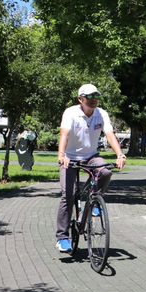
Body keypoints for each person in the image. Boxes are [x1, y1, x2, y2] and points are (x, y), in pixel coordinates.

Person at [56, 84, 126, 253]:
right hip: (70, 157)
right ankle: (62, 237)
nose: (94, 99)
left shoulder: (101, 114)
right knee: (68, 195)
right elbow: (64, 134)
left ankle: (95, 199)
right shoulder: (71, 113)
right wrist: (61, 154)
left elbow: (109, 134)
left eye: (96, 95)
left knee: (105, 171)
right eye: (89, 96)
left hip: (91, 156)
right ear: (80, 99)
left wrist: (120, 154)